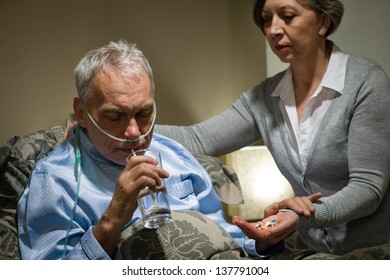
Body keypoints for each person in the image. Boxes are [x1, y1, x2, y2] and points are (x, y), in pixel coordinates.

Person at [17, 40, 302, 260]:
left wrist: (262, 238)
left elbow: (221, 235)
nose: (133, 133)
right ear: (81, 113)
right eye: (114, 117)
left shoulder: (175, 155)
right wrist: (112, 220)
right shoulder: (55, 180)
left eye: (143, 113)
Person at [155, 0, 390, 256]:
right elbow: (197, 139)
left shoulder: (366, 82)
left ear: (324, 22)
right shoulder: (265, 98)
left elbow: (368, 187)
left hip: (375, 250)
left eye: (287, 16)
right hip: (311, 252)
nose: (273, 29)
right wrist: (125, 129)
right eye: (267, 19)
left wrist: (300, 216)